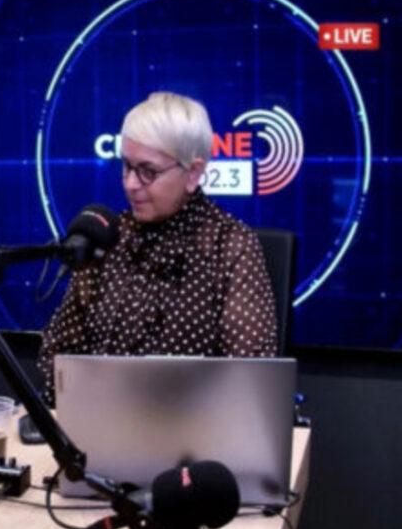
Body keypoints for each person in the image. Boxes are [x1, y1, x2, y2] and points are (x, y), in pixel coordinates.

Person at [38, 91, 277, 385]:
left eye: (148, 172)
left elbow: (251, 378)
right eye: (127, 166)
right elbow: (56, 358)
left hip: (194, 415)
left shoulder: (230, 247)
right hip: (100, 411)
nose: (130, 184)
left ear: (193, 173)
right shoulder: (108, 237)